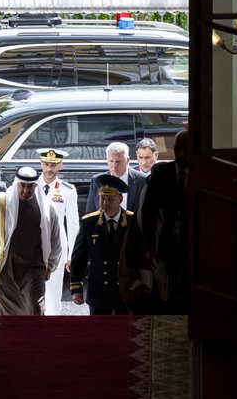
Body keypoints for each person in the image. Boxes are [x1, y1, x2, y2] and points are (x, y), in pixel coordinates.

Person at [0, 166, 62, 315]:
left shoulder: (48, 208)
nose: (26, 190)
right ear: (16, 183)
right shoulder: (1, 204)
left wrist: (50, 267)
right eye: (22, 185)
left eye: (30, 186)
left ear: (36, 185)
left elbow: (55, 242)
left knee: (36, 309)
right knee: (8, 316)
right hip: (5, 269)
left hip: (34, 269)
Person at [70, 174, 141, 315]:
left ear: (120, 199)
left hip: (125, 290)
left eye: (110, 199)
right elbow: (79, 257)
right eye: (102, 198)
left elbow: (140, 255)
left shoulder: (133, 221)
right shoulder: (89, 222)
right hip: (99, 290)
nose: (104, 203)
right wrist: (76, 287)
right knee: (98, 328)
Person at [139, 128, 189, 312]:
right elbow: (148, 212)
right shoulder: (162, 173)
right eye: (178, 148)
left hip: (194, 243)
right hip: (167, 242)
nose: (181, 154)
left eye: (186, 149)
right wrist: (150, 248)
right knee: (168, 290)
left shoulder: (203, 173)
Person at [35, 148, 80, 315]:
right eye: (46, 164)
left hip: (56, 248)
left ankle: (52, 326)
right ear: (41, 164)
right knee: (30, 293)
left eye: (53, 165)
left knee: (53, 297)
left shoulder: (67, 190)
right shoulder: (30, 186)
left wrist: (72, 255)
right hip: (32, 247)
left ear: (60, 165)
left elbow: (73, 224)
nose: (49, 168)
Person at [85, 141, 146, 213]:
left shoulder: (143, 181)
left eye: (118, 162)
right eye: (111, 161)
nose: (114, 166)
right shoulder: (97, 181)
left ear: (127, 160)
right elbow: (90, 212)